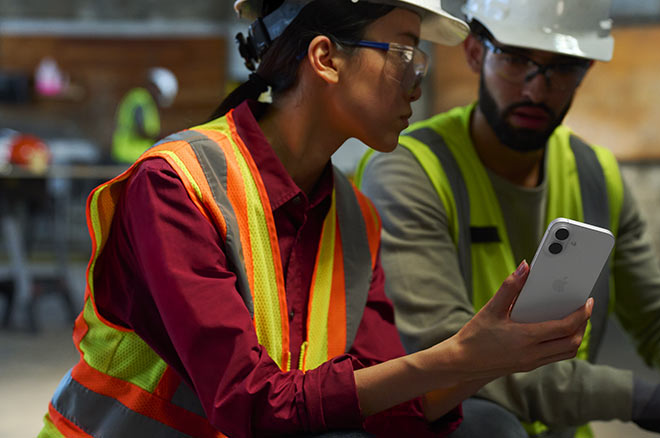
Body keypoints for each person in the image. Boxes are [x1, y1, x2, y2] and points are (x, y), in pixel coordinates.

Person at [36, 0, 595, 437]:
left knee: (487, 425)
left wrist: (487, 360)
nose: (417, 83)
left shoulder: (354, 218)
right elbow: (249, 404)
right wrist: (455, 356)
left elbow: (378, 404)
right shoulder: (175, 187)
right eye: (404, 55)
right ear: (325, 57)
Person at [355, 0, 660, 436]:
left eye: (562, 68)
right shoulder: (410, 172)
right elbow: (442, 355)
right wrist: (637, 398)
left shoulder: (595, 174)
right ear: (475, 53)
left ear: (587, 70)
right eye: (516, 60)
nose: (535, 90)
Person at [110, 67, 178, 163]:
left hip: (135, 157)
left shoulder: (147, 103)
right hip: (128, 157)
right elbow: (140, 131)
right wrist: (164, 138)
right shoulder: (141, 100)